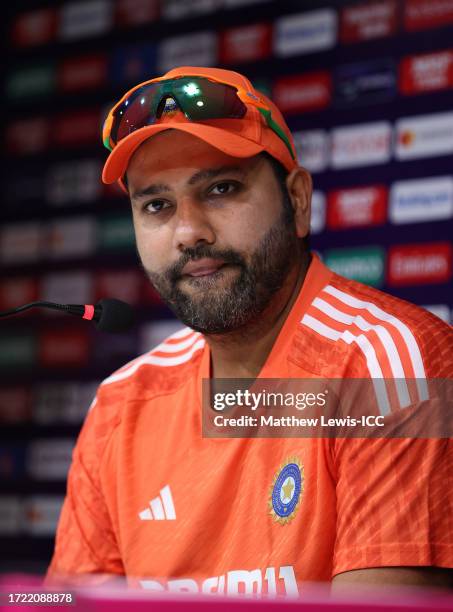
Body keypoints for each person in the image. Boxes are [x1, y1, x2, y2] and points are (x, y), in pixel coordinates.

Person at [45, 66, 453, 594]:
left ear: (298, 201)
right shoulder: (122, 405)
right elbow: (54, 602)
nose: (189, 231)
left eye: (220, 188)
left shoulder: (390, 366)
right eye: (157, 205)